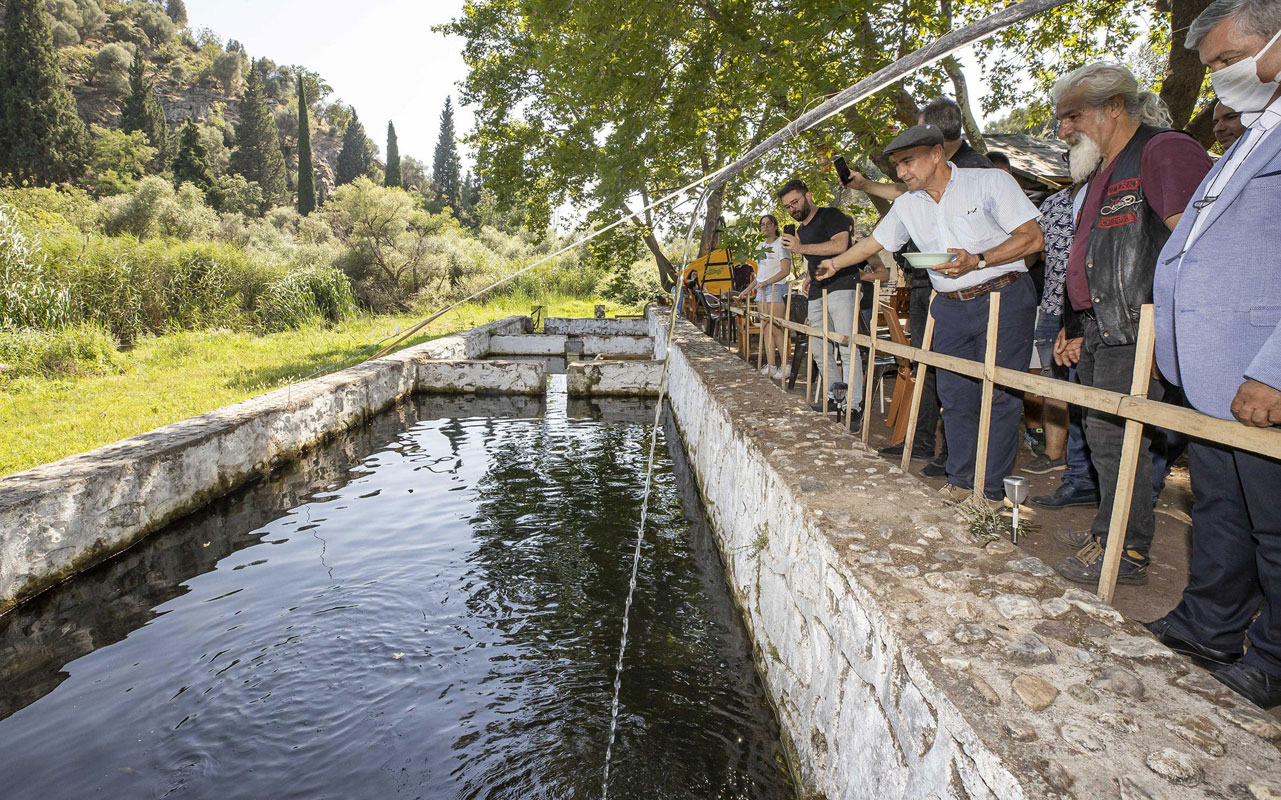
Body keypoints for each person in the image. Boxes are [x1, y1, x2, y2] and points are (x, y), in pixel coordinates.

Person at [1145, 0, 1281, 710]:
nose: (1220, 81)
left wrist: (1273, 368)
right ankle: (1207, 626)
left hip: (1260, 369)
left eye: (1228, 61)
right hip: (1214, 371)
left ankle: (1274, 662)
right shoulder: (1252, 138)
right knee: (1221, 507)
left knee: (1275, 524)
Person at [1047, 62, 1213, 587]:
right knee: (1103, 437)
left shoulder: (1163, 150)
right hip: (1101, 327)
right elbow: (1088, 257)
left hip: (1141, 326)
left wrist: (1172, 323)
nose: (1063, 130)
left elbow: (1195, 246)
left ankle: (1126, 549)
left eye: (1072, 116)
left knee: (1119, 438)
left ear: (1114, 106)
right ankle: (1108, 529)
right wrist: (1073, 324)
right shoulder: (1100, 170)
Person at [817, 124, 1043, 506]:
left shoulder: (988, 183)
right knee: (955, 395)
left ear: (937, 154)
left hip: (1003, 296)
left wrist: (979, 259)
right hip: (950, 306)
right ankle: (960, 478)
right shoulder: (907, 204)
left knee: (1000, 395)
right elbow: (875, 242)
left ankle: (988, 491)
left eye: (908, 162)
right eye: (897, 166)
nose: (901, 173)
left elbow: (1032, 238)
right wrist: (834, 263)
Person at [846, 98, 996, 475]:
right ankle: (924, 439)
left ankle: (955, 453)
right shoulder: (920, 182)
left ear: (935, 144)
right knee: (926, 360)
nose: (905, 169)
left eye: (910, 157)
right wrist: (863, 185)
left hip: (971, 287)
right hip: (926, 280)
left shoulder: (977, 171)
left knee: (962, 374)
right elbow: (902, 198)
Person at [778, 180, 887, 428]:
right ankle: (834, 398)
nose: (792, 209)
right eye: (787, 206)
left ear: (808, 195)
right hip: (817, 291)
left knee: (847, 347)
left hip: (843, 285)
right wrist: (808, 276)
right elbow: (816, 257)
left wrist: (800, 247)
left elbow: (840, 246)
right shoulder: (801, 231)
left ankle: (853, 405)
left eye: (795, 202)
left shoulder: (831, 215)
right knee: (819, 348)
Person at [738, 214, 793, 380]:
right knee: (766, 329)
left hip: (776, 287)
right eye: (762, 224)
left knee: (776, 328)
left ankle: (785, 365)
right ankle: (771, 365)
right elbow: (759, 275)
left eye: (769, 223)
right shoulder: (761, 246)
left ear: (775, 226)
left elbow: (785, 270)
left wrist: (766, 283)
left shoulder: (781, 244)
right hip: (761, 289)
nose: (766, 226)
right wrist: (748, 290)